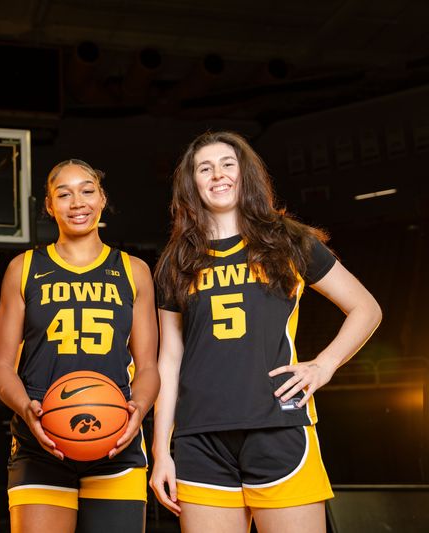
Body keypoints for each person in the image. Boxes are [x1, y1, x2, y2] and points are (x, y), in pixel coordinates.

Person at [149, 131, 382, 533]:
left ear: (246, 175)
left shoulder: (288, 241)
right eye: (205, 168)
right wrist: (160, 450)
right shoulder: (177, 259)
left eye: (228, 165)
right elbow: (168, 362)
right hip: (200, 438)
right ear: (192, 183)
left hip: (278, 427)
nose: (217, 175)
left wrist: (323, 366)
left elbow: (366, 308)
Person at [0, 159, 160, 533]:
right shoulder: (25, 267)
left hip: (117, 438)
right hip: (41, 441)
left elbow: (148, 367)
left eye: (87, 190)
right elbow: (2, 366)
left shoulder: (134, 271)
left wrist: (139, 411)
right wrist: (26, 409)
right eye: (63, 194)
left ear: (102, 199)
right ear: (49, 206)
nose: (77, 202)